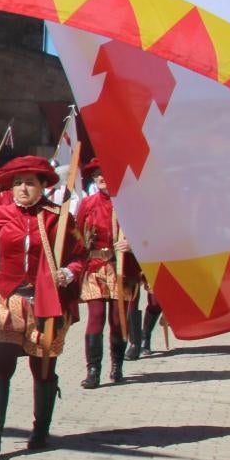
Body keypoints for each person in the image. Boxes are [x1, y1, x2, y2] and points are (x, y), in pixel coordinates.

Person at [0, 155, 83, 458]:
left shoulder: (59, 218)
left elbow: (80, 256)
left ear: (43, 185)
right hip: (6, 300)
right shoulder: (1, 215)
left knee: (42, 369)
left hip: (46, 304)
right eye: (17, 183)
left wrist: (67, 273)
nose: (22, 188)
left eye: (29, 183)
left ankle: (40, 431)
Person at [74, 160, 139, 389]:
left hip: (123, 268)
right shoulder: (88, 204)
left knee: (118, 320)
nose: (101, 178)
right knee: (96, 316)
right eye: (97, 174)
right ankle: (93, 371)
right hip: (95, 268)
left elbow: (147, 236)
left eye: (105, 173)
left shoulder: (129, 205)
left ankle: (117, 365)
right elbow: (76, 237)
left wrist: (132, 244)